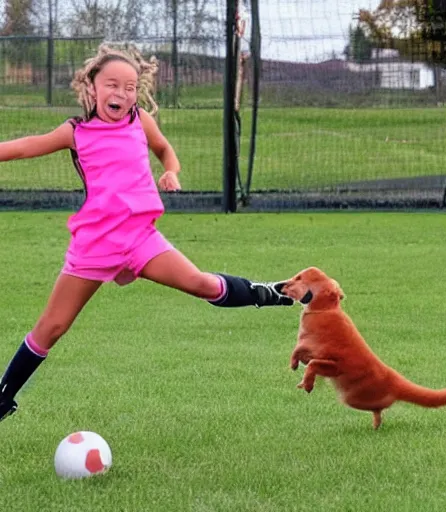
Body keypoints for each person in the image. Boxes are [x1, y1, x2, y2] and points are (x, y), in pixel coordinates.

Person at [0, 44, 292, 423]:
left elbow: (165, 150)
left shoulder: (140, 121)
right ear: (91, 86)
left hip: (140, 238)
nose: (121, 93)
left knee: (200, 283)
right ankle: (4, 397)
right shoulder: (75, 132)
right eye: (112, 85)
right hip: (96, 244)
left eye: (130, 86)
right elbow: (24, 148)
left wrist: (171, 170)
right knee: (52, 327)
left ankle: (267, 292)